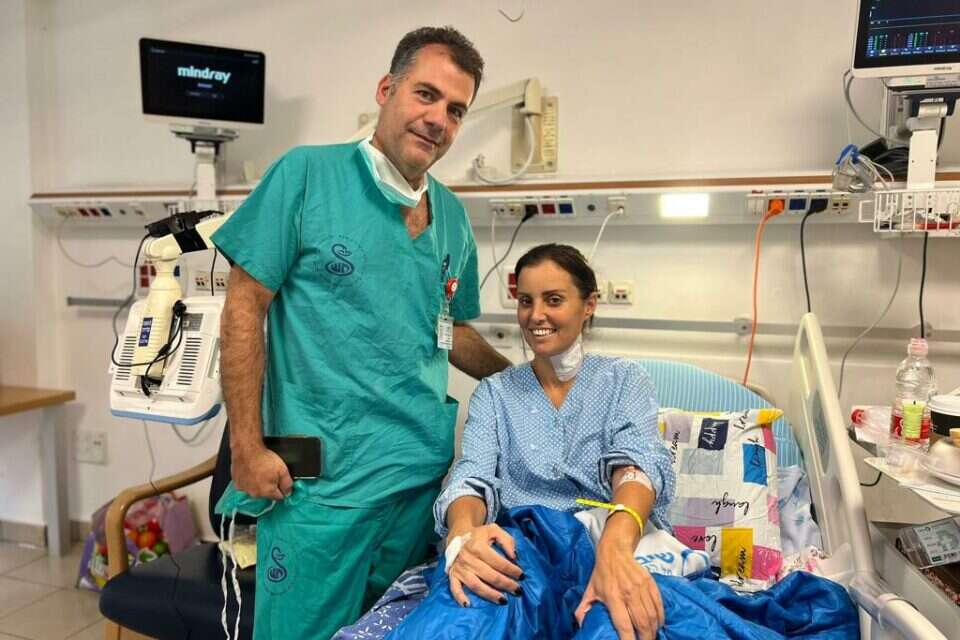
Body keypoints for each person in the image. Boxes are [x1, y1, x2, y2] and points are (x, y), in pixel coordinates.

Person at [211, 26, 511, 640]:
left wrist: (528, 380)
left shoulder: (451, 218)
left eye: (456, 110)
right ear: (386, 89)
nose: (438, 119)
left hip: (416, 485)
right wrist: (245, 446)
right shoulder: (306, 177)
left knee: (392, 632)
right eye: (425, 94)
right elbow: (243, 310)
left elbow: (449, 330)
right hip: (321, 489)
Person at [431, 243, 675, 640]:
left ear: (589, 304)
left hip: (607, 539)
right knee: (463, 618)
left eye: (554, 300)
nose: (536, 315)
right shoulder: (495, 393)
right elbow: (472, 476)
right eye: (526, 301)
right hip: (523, 549)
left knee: (621, 625)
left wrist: (614, 549)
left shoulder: (624, 380)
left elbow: (636, 465)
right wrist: (462, 535)